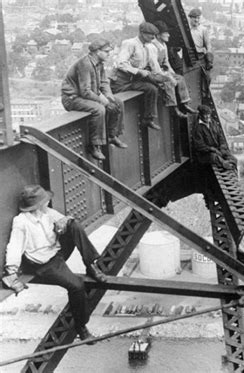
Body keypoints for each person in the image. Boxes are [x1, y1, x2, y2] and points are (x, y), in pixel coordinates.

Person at [2, 185, 107, 343]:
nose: (48, 201)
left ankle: (90, 265)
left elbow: (63, 220)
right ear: (37, 205)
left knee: (74, 225)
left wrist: (64, 222)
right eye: (45, 200)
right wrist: (12, 271)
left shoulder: (47, 213)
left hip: (56, 252)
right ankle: (82, 328)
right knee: (77, 286)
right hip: (43, 263)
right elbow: (14, 247)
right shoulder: (21, 222)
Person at [61, 38, 128, 161]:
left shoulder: (99, 64)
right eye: (107, 51)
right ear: (97, 51)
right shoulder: (85, 64)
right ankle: (94, 145)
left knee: (118, 103)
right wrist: (104, 102)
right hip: (72, 98)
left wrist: (109, 98)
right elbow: (85, 91)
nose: (109, 54)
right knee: (99, 109)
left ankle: (112, 135)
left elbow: (104, 83)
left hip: (84, 96)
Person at [111, 22, 162, 131]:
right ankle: (147, 119)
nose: (153, 37)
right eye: (150, 34)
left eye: (154, 35)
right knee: (151, 88)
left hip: (133, 80)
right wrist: (138, 71)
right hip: (121, 82)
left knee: (153, 88)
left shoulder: (147, 47)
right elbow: (120, 63)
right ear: (142, 33)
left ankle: (148, 119)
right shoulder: (130, 43)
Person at [151, 21, 197, 118]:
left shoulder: (163, 45)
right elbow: (154, 66)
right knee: (168, 82)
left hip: (161, 71)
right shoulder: (152, 47)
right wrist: (168, 76)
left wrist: (172, 74)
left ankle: (184, 104)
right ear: (158, 35)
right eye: (166, 33)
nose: (169, 35)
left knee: (179, 78)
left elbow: (166, 62)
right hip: (153, 72)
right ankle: (174, 109)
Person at [192, 104, 237, 171]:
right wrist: (212, 149)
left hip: (218, 149)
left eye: (208, 114)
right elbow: (200, 146)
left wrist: (222, 146)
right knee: (214, 157)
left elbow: (220, 136)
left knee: (229, 155)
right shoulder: (198, 128)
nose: (207, 117)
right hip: (206, 154)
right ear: (200, 115)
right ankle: (225, 164)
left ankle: (231, 162)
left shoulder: (213, 123)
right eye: (205, 115)